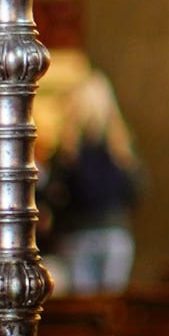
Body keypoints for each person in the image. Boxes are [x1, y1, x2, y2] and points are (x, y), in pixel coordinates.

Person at [41, 65, 143, 295]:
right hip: (115, 233)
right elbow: (137, 190)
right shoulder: (122, 149)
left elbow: (51, 194)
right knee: (109, 308)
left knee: (85, 309)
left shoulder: (68, 152)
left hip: (79, 233)